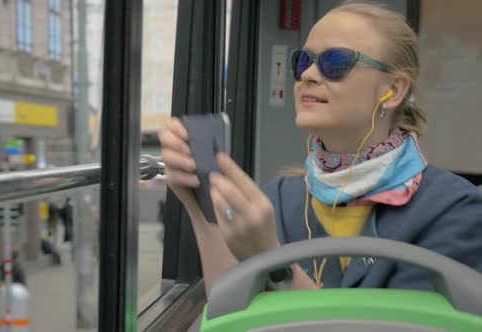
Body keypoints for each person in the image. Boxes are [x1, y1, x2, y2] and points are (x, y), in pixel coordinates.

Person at [158, 0, 482, 296]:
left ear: (393, 90)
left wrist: (270, 258)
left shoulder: (455, 211)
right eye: (303, 61)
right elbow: (227, 314)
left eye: (336, 62)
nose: (308, 75)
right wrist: (201, 204)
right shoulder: (276, 202)